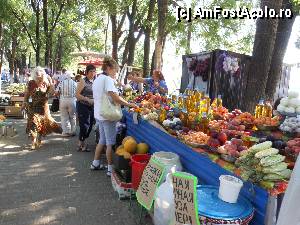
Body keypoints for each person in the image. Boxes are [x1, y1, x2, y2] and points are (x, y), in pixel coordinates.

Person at [90, 57, 137, 176]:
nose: (116, 73)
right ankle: (110, 169)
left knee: (102, 140)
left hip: (99, 114)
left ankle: (95, 163)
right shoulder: (108, 80)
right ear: (109, 68)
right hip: (107, 115)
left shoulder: (98, 78)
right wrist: (129, 104)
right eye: (115, 70)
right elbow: (115, 97)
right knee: (110, 143)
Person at [21, 67, 62, 150]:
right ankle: (33, 142)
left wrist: (50, 82)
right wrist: (24, 103)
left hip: (43, 107)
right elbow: (27, 93)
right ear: (34, 75)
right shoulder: (31, 83)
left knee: (41, 124)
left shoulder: (46, 83)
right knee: (33, 123)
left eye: (40, 76)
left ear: (43, 75)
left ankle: (39, 139)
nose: (39, 78)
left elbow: (52, 93)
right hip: (32, 106)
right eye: (37, 76)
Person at [75, 64, 96, 152]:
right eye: (91, 71)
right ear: (87, 72)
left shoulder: (95, 81)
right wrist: (87, 99)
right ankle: (82, 143)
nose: (92, 73)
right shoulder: (83, 81)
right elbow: (77, 95)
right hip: (83, 106)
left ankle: (81, 142)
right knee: (84, 126)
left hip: (92, 107)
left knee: (90, 125)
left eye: (94, 71)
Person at [56, 71, 77, 137]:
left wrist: (59, 96)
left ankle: (66, 132)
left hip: (63, 100)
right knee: (72, 116)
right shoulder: (74, 83)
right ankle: (73, 131)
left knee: (64, 116)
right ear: (71, 77)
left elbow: (56, 92)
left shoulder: (61, 83)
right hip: (72, 100)